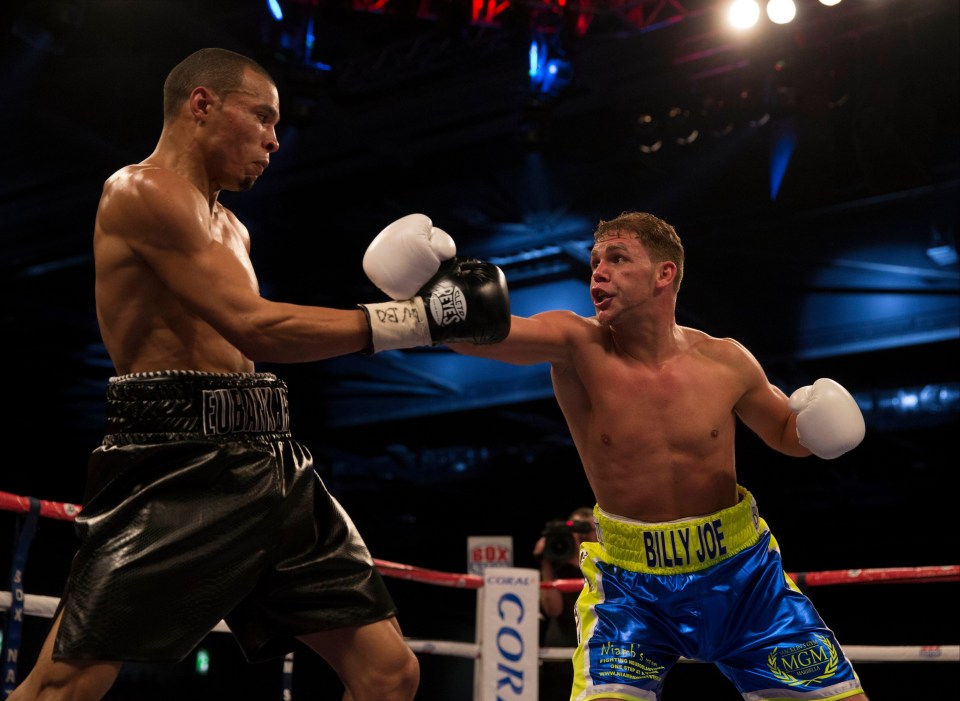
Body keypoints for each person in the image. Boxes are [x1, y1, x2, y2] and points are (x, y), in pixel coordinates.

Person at [9, 47, 510, 701]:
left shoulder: (234, 228)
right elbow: (255, 325)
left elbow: (254, 343)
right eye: (263, 117)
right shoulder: (139, 191)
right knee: (66, 684)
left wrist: (418, 320)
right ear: (202, 105)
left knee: (389, 673)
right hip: (174, 462)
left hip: (271, 458)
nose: (276, 138)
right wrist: (414, 321)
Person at [443, 211, 870, 700]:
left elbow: (785, 433)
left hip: (744, 579)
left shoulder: (726, 359)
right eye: (595, 261)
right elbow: (476, 336)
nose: (598, 272)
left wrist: (820, 428)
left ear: (664, 274)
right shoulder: (575, 344)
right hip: (630, 588)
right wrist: (430, 291)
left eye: (618, 258)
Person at [533, 507, 597, 701]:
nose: (583, 537)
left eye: (589, 530)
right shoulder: (558, 564)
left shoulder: (608, 565)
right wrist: (546, 563)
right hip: (559, 659)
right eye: (578, 531)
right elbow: (553, 609)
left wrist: (583, 562)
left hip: (595, 659)